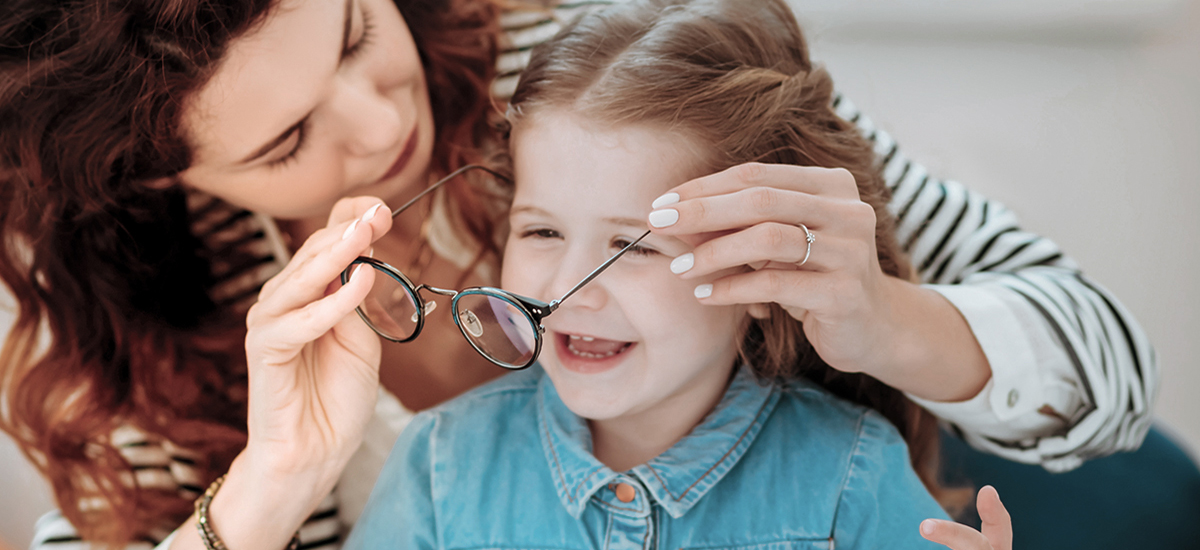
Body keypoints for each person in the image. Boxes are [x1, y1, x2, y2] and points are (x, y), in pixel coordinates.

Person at [0, 0, 1151, 548]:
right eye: (286, 140)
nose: (378, 118)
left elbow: (1108, 370)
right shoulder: (140, 346)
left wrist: (886, 319)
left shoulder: (611, 64)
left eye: (355, 31)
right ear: (160, 178)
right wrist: (268, 486)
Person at [346, 1, 999, 547]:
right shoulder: (439, 467)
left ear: (769, 270)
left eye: (633, 246)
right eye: (542, 231)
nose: (565, 290)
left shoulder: (853, 475)